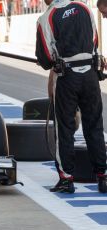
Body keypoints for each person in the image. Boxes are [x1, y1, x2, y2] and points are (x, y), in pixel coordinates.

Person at [36, 0, 106, 193]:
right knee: (94, 125)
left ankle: (66, 179)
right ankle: (103, 176)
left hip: (67, 77)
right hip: (91, 75)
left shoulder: (46, 17)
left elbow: (46, 58)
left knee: (65, 129)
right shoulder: (83, 7)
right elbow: (94, 40)